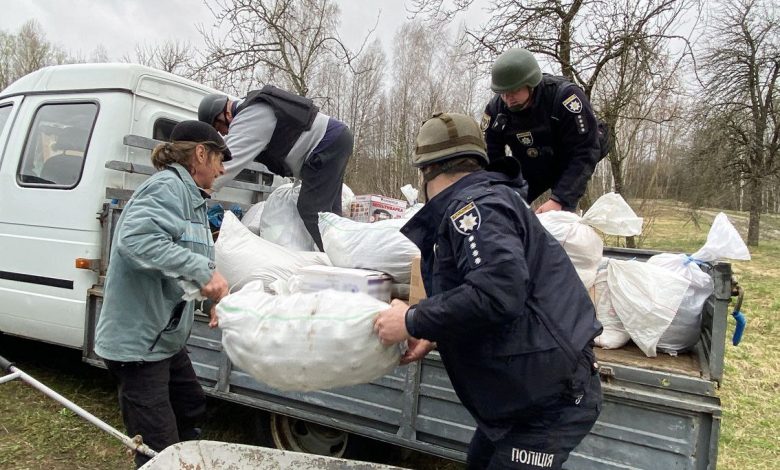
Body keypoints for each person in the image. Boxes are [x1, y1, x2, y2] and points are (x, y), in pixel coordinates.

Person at [373, 112, 603, 469]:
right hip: (521, 397)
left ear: (427, 172)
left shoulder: (476, 209)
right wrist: (432, 332)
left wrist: (414, 319)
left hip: (546, 401)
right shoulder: (484, 201)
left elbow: (498, 293)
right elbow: (481, 291)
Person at [94, 120, 231, 468]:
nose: (222, 168)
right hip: (139, 347)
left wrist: (211, 296)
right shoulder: (167, 188)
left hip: (164, 341)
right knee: (158, 444)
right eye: (219, 158)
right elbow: (136, 242)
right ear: (200, 153)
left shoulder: (193, 199)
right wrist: (204, 273)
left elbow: (181, 263)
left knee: (191, 407)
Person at [198, 86, 353, 251]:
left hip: (327, 143)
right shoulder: (251, 112)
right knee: (331, 216)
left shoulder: (251, 116)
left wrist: (200, 188)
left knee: (312, 210)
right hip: (334, 141)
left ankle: (339, 257)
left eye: (218, 128)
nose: (221, 133)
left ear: (225, 115)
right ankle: (348, 254)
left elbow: (228, 162)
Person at [482, 47, 604, 213]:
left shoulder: (566, 98)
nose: (508, 98)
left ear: (530, 84)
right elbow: (492, 157)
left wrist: (559, 199)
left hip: (568, 160)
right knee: (505, 209)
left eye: (514, 91)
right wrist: (501, 194)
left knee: (560, 216)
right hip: (531, 163)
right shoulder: (496, 110)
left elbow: (585, 151)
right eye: (503, 93)